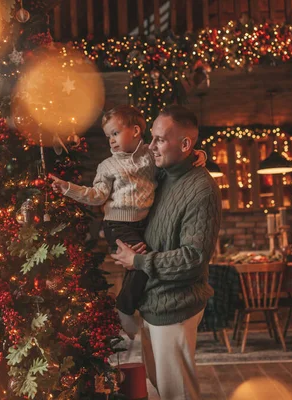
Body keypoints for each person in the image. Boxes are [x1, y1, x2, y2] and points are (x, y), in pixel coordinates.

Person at [49, 105, 206, 340]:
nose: (111, 141)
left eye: (115, 133)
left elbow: (173, 160)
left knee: (143, 262)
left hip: (142, 223)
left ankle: (133, 306)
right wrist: (68, 189)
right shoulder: (107, 166)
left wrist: (199, 154)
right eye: (108, 136)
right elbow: (97, 195)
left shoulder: (149, 155)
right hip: (117, 225)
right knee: (142, 263)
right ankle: (123, 307)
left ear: (135, 131)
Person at [111, 105, 222, 400]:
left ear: (185, 145)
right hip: (151, 300)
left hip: (175, 306)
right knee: (158, 388)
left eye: (160, 139)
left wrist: (138, 261)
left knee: (178, 393)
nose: (151, 146)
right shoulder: (161, 176)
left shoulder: (202, 190)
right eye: (151, 137)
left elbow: (194, 259)